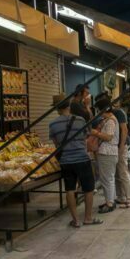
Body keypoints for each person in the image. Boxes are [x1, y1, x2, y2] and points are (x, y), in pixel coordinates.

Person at [49, 93, 102, 227]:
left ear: (56, 108)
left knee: (70, 189)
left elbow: (56, 145)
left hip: (66, 161)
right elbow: (85, 138)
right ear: (69, 105)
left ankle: (76, 220)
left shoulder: (53, 124)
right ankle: (88, 218)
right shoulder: (80, 120)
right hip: (82, 159)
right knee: (89, 189)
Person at [92, 97, 119, 213]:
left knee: (107, 178)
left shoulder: (111, 121)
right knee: (109, 178)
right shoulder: (109, 120)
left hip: (107, 152)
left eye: (98, 109)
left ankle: (110, 203)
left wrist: (96, 133)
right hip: (109, 152)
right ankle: (110, 200)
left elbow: (108, 137)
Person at [111, 101, 130, 208]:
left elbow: (124, 130)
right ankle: (121, 197)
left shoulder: (118, 112)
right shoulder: (113, 113)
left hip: (120, 146)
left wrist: (121, 147)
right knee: (117, 173)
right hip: (115, 146)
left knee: (123, 172)